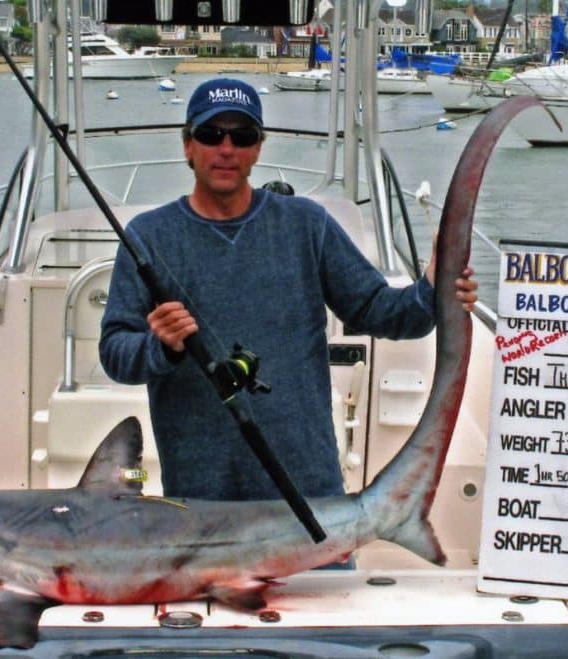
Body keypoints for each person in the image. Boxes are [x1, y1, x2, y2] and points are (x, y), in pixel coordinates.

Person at [99, 78, 477, 504]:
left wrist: (433, 285)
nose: (226, 148)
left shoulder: (306, 225)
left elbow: (382, 311)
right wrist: (160, 347)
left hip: (309, 490)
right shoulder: (147, 236)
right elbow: (115, 353)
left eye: (241, 136)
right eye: (210, 134)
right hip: (200, 502)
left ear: (258, 148)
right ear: (188, 145)